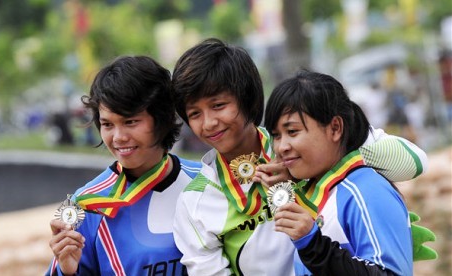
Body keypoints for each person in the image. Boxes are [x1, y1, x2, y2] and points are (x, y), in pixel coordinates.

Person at [171, 38, 428, 275]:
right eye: (194, 114)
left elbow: (414, 162)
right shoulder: (195, 202)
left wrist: (312, 168)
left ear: (246, 98)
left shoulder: (304, 142)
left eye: (218, 106)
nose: (209, 123)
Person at [46, 56, 201, 275]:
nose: (118, 137)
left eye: (130, 122)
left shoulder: (206, 181)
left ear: (162, 117)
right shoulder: (87, 205)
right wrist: (67, 271)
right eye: (107, 124)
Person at [261, 70, 413, 275]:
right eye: (276, 135)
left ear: (335, 128)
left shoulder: (366, 191)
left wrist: (314, 245)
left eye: (292, 131)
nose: (281, 147)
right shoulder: (314, 191)